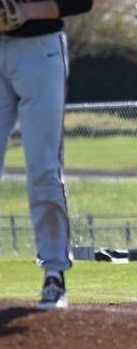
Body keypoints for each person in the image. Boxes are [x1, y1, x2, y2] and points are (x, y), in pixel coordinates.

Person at [0, 0, 93, 309]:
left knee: (43, 168)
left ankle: (54, 272)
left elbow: (80, 2)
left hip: (39, 50)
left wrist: (27, 12)